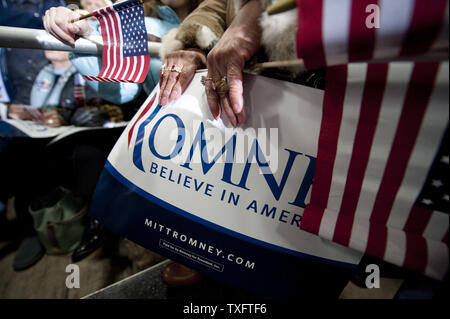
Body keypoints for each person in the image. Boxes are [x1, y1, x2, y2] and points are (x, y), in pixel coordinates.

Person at [43, 0, 201, 105]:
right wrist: (84, 34)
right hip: (174, 126)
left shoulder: (222, 15)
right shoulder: (140, 21)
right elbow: (122, 90)